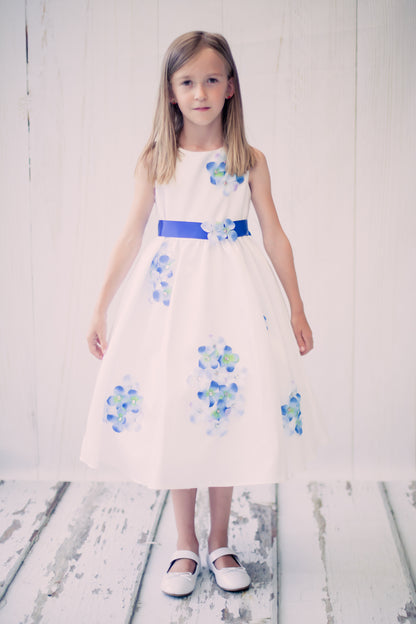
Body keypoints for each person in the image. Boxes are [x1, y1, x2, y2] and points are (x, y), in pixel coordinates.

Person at [80, 31, 328, 597]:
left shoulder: (248, 160)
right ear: (170, 92)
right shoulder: (157, 160)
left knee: (225, 411)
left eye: (212, 79)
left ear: (231, 87)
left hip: (234, 301)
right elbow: (129, 236)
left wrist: (297, 306)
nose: (200, 92)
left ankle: (220, 540)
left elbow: (274, 234)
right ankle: (184, 544)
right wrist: (100, 308)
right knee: (177, 411)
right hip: (171, 303)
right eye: (187, 82)